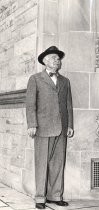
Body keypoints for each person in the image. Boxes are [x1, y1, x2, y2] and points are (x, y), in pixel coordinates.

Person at [26, 46, 74, 209]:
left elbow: (68, 105)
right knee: (42, 163)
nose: (57, 60)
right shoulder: (35, 79)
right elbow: (30, 104)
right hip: (42, 127)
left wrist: (70, 125)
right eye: (54, 58)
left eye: (58, 58)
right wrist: (32, 124)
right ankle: (40, 198)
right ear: (45, 61)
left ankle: (55, 195)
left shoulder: (65, 81)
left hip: (61, 128)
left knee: (58, 163)